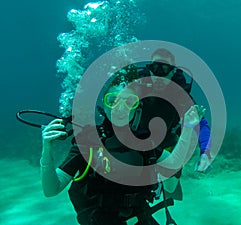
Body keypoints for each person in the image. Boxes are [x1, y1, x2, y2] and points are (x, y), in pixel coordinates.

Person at [41, 67, 204, 225]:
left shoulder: (147, 145)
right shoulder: (88, 143)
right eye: (112, 100)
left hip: (138, 216)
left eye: (129, 102)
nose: (120, 108)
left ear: (137, 107)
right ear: (104, 106)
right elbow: (51, 189)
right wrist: (46, 149)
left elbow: (171, 184)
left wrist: (188, 132)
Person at [136, 48, 212, 174]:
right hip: (135, 142)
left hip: (167, 145)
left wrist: (205, 153)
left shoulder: (180, 96)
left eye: (165, 68)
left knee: (171, 182)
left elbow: (200, 123)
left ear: (172, 72)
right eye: (155, 67)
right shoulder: (137, 89)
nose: (159, 74)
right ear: (149, 69)